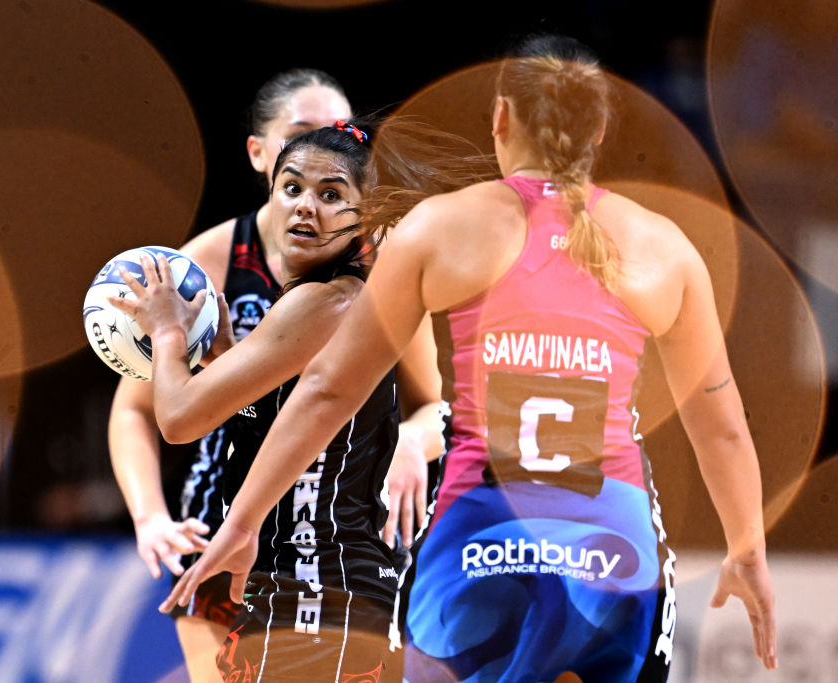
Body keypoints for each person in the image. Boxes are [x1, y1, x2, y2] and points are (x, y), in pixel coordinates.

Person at [160, 34, 779, 682]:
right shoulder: (665, 246)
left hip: (477, 545)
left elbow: (326, 389)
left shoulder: (439, 228)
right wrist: (747, 549)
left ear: (500, 117)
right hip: (614, 557)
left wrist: (244, 520)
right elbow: (722, 426)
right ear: (598, 127)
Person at [106, 69, 439, 682]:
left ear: (369, 209)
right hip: (272, 560)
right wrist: (227, 355)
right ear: (263, 163)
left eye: (333, 193)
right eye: (293, 185)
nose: (306, 205)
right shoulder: (257, 271)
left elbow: (178, 418)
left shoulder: (331, 298)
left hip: (315, 577)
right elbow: (265, 422)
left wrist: (170, 332)